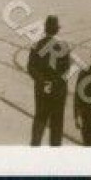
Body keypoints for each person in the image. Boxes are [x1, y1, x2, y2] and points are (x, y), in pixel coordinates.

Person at [27, 15, 70, 146]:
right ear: (57, 29)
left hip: (41, 89)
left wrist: (43, 82)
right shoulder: (64, 46)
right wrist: (54, 83)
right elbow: (66, 71)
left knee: (40, 119)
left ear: (45, 29)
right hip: (58, 91)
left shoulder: (37, 45)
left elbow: (31, 67)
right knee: (57, 123)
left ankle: (35, 149)